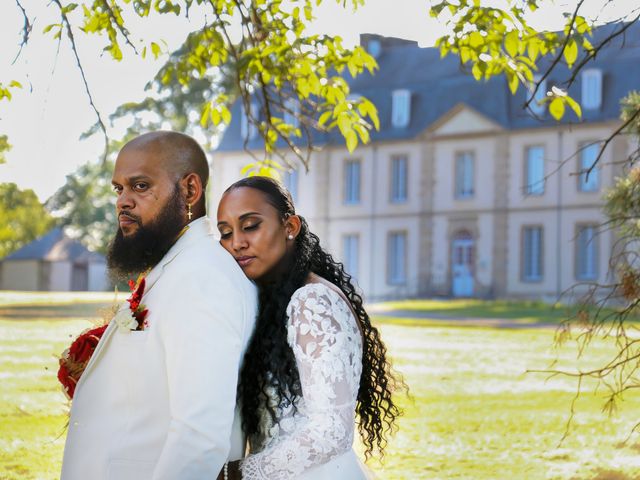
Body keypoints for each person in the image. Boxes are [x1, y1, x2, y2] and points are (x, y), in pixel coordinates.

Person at [60, 131, 258, 480]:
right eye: (118, 189)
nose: (123, 201)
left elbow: (200, 437)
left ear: (190, 191)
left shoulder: (202, 278)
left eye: (140, 186)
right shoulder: (178, 268)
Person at [216, 176, 403, 479]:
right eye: (225, 233)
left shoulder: (311, 300)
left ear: (290, 227)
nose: (237, 242)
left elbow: (330, 431)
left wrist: (236, 474)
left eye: (250, 225)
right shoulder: (277, 300)